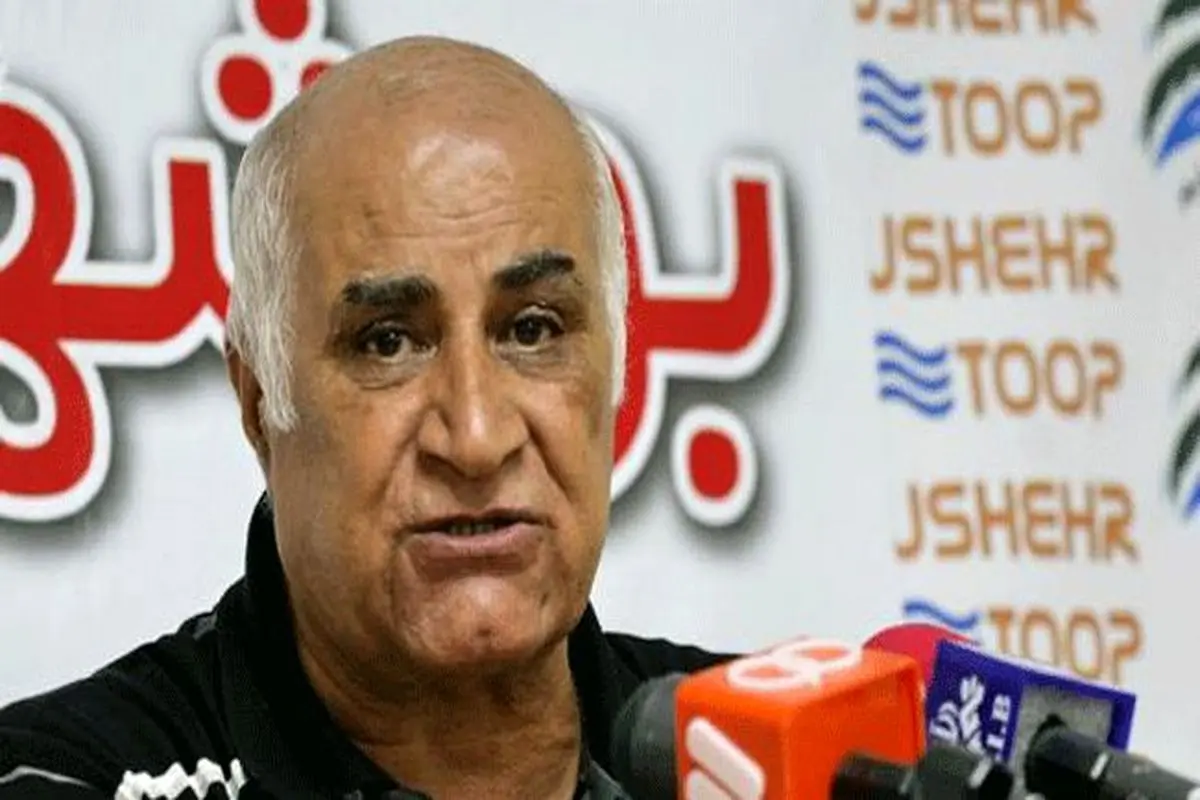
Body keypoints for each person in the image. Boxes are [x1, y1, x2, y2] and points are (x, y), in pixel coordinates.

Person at [0, 36, 733, 800]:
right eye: (388, 342)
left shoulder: (764, 759)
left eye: (532, 330)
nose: (476, 438)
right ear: (260, 402)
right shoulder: (57, 776)